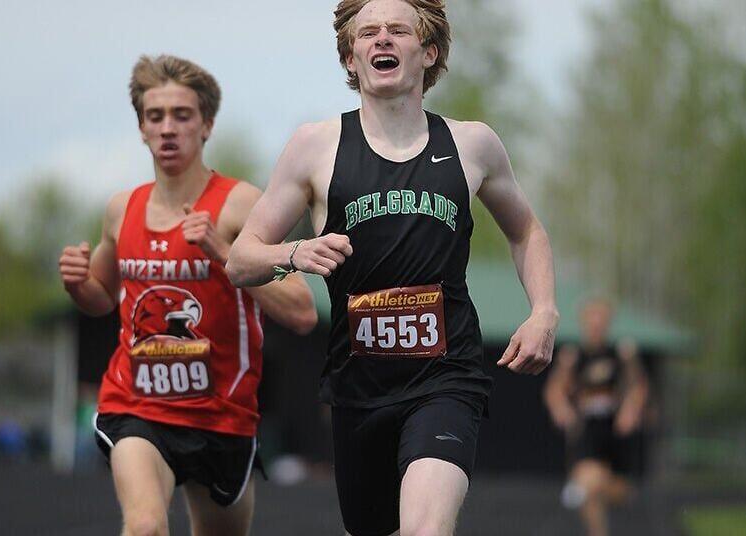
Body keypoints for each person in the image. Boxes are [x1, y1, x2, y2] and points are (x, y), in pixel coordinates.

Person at [225, 1, 559, 534]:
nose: (382, 40)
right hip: (359, 389)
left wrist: (543, 310)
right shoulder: (315, 147)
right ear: (351, 57)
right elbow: (240, 260)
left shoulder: (472, 144)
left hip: (446, 377)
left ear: (428, 52)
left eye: (398, 30)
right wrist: (292, 253)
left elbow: (527, 231)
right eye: (369, 33)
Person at [58, 54, 317, 536]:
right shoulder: (122, 209)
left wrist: (224, 253)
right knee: (145, 527)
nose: (168, 128)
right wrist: (77, 283)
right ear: (141, 128)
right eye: (155, 117)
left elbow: (302, 311)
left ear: (207, 125)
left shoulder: (239, 204)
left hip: (222, 417)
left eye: (182, 115)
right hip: (137, 406)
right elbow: (100, 296)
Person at [544, 298, 648, 536]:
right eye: (592, 320)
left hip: (615, 433)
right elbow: (555, 390)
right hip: (588, 432)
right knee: (589, 486)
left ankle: (582, 488)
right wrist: (563, 412)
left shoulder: (619, 356)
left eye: (601, 321)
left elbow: (638, 388)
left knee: (610, 490)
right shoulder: (575, 357)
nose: (596, 326)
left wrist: (630, 410)